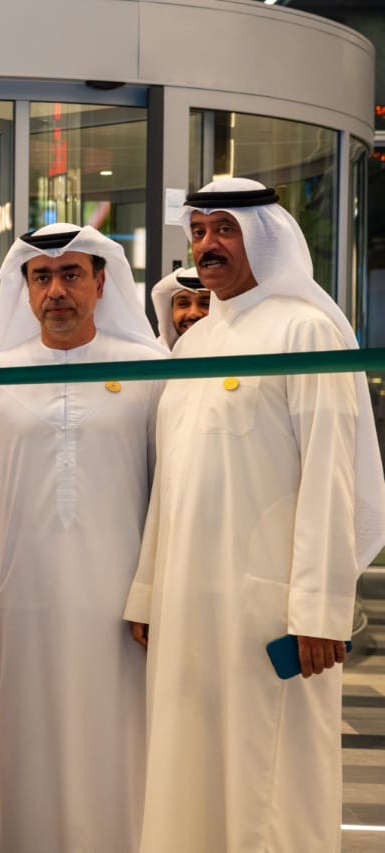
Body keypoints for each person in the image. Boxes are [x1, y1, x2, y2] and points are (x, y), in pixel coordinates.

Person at [123, 177, 385, 853]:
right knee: (188, 773)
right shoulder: (193, 344)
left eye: (225, 230)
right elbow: (171, 481)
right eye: (199, 232)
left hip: (268, 610)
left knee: (271, 786)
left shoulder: (306, 328)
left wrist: (320, 609)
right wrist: (149, 591)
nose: (207, 245)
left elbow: (331, 475)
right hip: (187, 605)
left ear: (265, 238)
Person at [0, 223, 166, 852]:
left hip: (122, 605)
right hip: (24, 601)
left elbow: (168, 490)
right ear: (25, 289)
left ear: (101, 283)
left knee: (121, 744)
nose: (56, 290)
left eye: (71, 274)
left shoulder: (148, 369)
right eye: (42, 277)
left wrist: (154, 590)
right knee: (31, 744)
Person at [149, 266, 209, 349]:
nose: (193, 313)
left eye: (206, 304)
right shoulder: (154, 354)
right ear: (171, 311)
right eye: (183, 304)